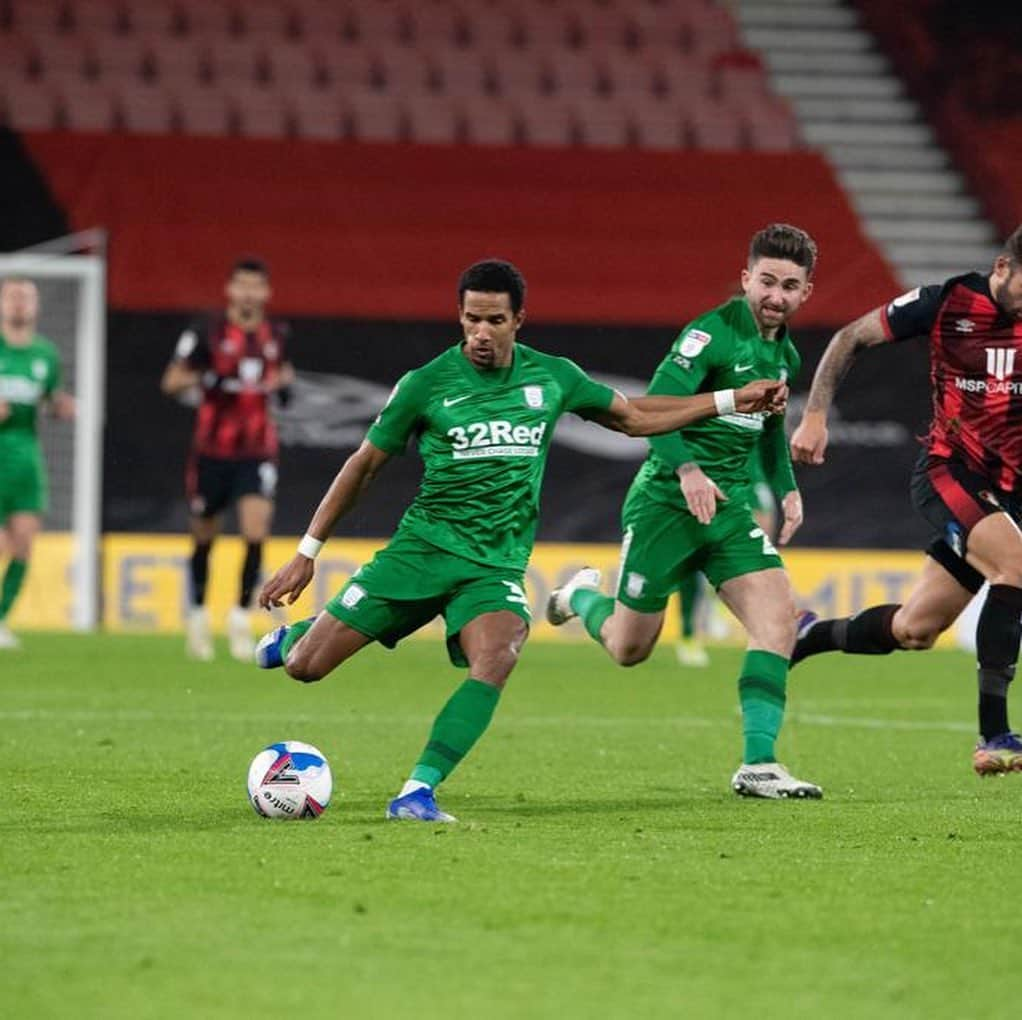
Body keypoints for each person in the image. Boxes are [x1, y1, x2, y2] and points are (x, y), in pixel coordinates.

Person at [254, 259, 785, 822]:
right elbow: (363, 466)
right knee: (305, 670)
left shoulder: (552, 376)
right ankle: (304, 635)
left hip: (495, 566)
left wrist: (728, 400)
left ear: (519, 319)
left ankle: (417, 792)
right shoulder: (425, 384)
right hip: (422, 552)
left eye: (494, 320)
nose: (481, 333)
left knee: (499, 653)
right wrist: (307, 553)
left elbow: (633, 419)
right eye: (471, 319)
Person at [547, 224, 821, 800]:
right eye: (766, 280)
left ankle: (759, 765)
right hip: (667, 505)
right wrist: (687, 470)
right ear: (747, 278)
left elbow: (771, 429)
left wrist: (788, 487)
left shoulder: (784, 351)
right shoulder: (711, 334)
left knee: (778, 622)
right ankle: (579, 597)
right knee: (630, 648)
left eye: (788, 285)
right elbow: (649, 411)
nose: (775, 295)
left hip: (729, 511)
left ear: (805, 293)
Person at [789, 225, 1022, 776]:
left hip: (1008, 493)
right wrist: (816, 415)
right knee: (1016, 564)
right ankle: (994, 735)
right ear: (1002, 267)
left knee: (915, 630)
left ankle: (805, 635)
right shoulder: (947, 302)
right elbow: (851, 337)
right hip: (950, 472)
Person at [161, 257, 294, 662]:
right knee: (205, 535)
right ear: (231, 290)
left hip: (256, 451)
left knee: (256, 529)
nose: (250, 293)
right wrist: (208, 378)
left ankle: (239, 616)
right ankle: (199, 616)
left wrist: (283, 385)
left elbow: (283, 376)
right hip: (211, 452)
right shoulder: (206, 331)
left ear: (266, 293)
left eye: (257, 286)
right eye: (243, 286)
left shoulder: (278, 334)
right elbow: (171, 381)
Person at [0, 278, 75, 649]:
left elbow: (50, 398)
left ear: (36, 307)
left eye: (26, 298)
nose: (19, 304)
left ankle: (0, 620)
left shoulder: (44, 354)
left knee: (23, 543)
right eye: (12, 296)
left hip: (26, 454)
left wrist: (61, 406)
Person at [675, 443, 777, 667]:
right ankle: (688, 632)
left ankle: (720, 604)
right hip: (706, 470)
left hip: (749, 472)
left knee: (758, 544)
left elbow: (772, 434)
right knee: (693, 555)